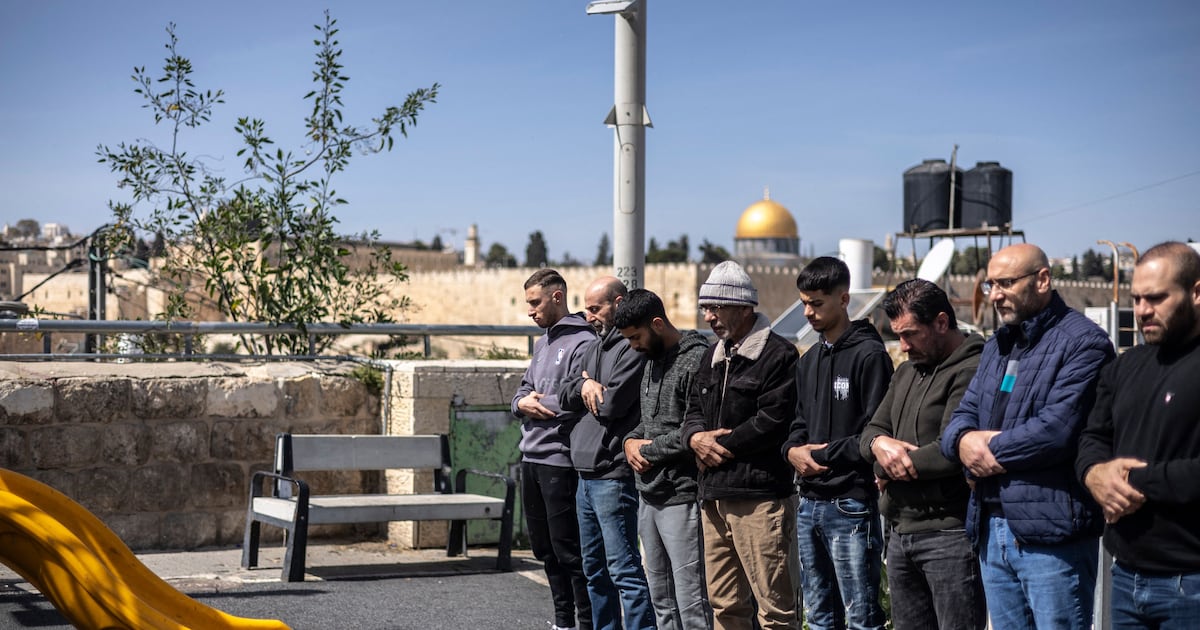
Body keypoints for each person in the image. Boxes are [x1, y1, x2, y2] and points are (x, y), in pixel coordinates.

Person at [940, 243, 1115, 630]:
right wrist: (962, 443)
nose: (996, 294)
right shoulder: (998, 345)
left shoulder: (1083, 343)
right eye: (990, 285)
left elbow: (1057, 430)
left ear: (1042, 280)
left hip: (1051, 535)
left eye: (1006, 283)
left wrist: (983, 450)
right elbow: (960, 418)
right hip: (991, 527)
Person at [1077, 241, 1200, 629]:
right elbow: (1092, 436)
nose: (1143, 310)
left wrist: (1131, 481)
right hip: (1126, 577)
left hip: (1190, 584)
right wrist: (1094, 474)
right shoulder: (1126, 365)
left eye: (1156, 298)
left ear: (1196, 293)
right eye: (1136, 298)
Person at [859, 279, 987, 630]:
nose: (902, 346)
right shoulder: (905, 373)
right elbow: (869, 434)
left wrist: (888, 466)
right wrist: (878, 447)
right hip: (900, 534)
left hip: (949, 536)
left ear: (942, 323)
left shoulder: (973, 370)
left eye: (911, 334)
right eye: (898, 335)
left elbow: (950, 451)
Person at [680, 261, 799, 630]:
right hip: (714, 496)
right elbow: (693, 411)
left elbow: (771, 421)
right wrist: (694, 439)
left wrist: (717, 447)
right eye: (706, 307)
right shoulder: (710, 355)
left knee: (775, 609)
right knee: (725, 605)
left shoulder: (779, 355)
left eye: (716, 307)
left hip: (759, 498)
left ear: (744, 308)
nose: (708, 315)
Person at [783, 256, 892, 630]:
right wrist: (792, 451)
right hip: (809, 501)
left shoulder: (870, 355)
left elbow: (875, 432)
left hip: (850, 502)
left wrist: (822, 454)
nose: (808, 312)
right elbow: (798, 423)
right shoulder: (809, 360)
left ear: (844, 300)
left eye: (817, 303)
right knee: (819, 617)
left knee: (861, 616)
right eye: (804, 303)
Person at [558, 277, 654, 630]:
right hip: (585, 473)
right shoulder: (592, 348)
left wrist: (588, 391)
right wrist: (584, 384)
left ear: (618, 303)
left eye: (595, 308)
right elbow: (563, 392)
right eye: (586, 308)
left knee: (624, 569)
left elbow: (611, 403)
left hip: (613, 476)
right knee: (594, 570)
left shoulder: (631, 349)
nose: (588, 316)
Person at [615, 288, 713, 630]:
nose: (633, 346)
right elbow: (649, 422)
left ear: (657, 324)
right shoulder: (651, 361)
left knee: (692, 603)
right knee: (662, 601)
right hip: (649, 496)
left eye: (636, 337)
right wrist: (629, 442)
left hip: (682, 496)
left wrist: (645, 449)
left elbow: (694, 429)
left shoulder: (696, 359)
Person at [512, 268, 597, 630]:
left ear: (557, 296)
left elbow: (574, 397)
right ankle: (562, 620)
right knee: (543, 550)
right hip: (530, 457)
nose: (530, 310)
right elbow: (521, 390)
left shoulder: (583, 341)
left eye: (535, 302)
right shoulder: (541, 342)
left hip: (559, 460)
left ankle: (585, 621)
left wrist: (534, 403)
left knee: (569, 551)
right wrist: (521, 405)